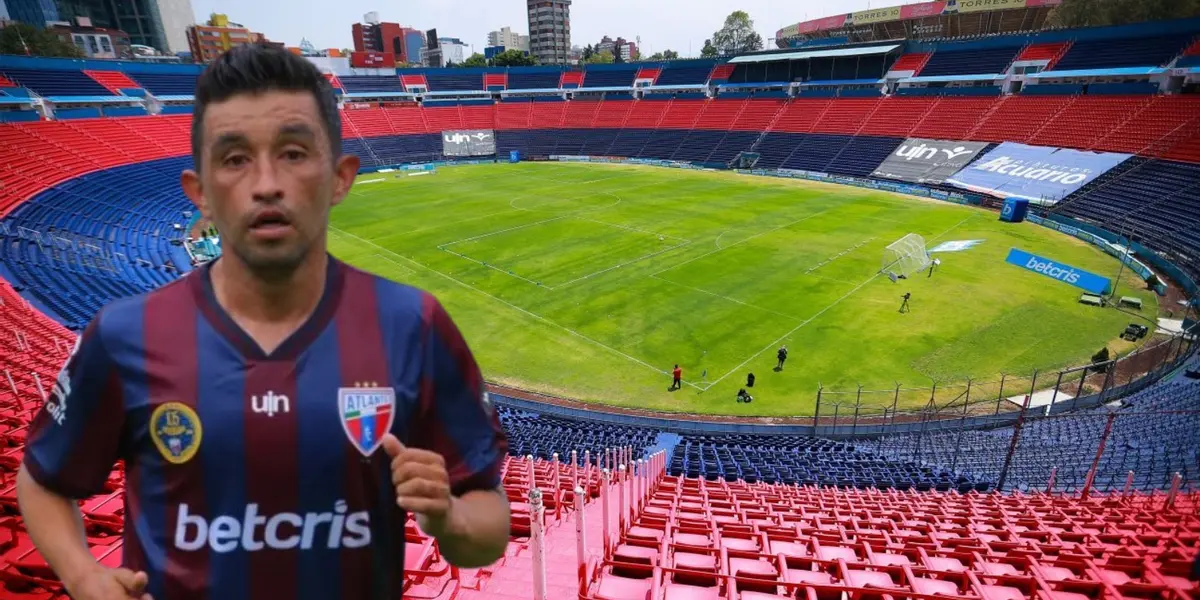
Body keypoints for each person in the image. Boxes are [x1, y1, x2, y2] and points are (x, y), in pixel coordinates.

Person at [17, 45, 510, 600]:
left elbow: (487, 527)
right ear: (200, 193)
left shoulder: (414, 325)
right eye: (234, 159)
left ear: (340, 177)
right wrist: (83, 575)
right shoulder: (125, 335)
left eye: (294, 153)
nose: (267, 183)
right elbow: (42, 480)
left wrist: (448, 518)